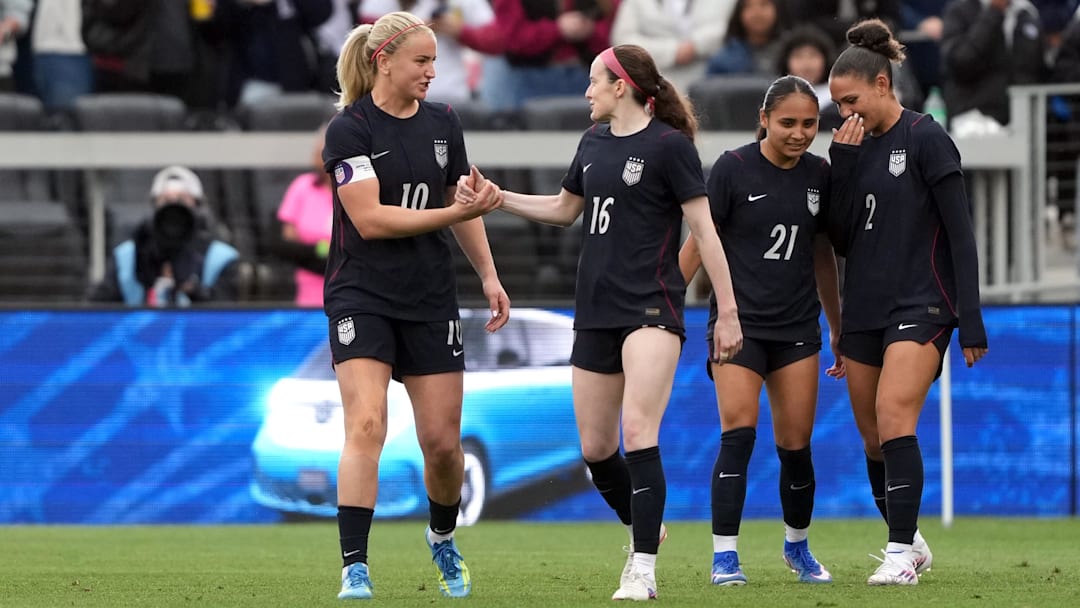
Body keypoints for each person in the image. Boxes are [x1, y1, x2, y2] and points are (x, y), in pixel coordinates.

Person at [458, 43, 744, 601]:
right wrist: (499, 200)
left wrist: (727, 311)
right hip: (594, 311)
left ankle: (641, 567)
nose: (587, 90)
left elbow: (705, 233)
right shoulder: (591, 142)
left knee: (639, 433)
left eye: (594, 81)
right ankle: (644, 527)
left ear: (622, 87)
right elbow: (566, 210)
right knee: (594, 449)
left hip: (651, 308)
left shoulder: (670, 147)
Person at [324, 11, 509, 601]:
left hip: (430, 297)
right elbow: (371, 220)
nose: (433, 71)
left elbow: (467, 200)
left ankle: (442, 536)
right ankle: (355, 566)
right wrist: (455, 214)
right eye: (422, 61)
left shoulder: (444, 123)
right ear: (384, 61)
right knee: (367, 425)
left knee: (443, 445)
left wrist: (488, 275)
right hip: (362, 294)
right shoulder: (349, 130)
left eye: (434, 61)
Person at [827, 18, 988, 585]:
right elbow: (841, 238)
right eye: (837, 105)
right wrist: (841, 169)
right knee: (872, 437)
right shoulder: (848, 149)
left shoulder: (926, 137)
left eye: (851, 101)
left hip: (923, 304)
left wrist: (970, 320)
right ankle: (912, 539)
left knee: (896, 416)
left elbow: (962, 234)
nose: (845, 114)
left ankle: (898, 556)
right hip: (864, 308)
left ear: (882, 84)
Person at [678, 74, 841, 587]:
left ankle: (798, 547)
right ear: (764, 120)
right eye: (787, 122)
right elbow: (699, 243)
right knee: (739, 435)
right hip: (737, 328)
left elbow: (822, 255)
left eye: (809, 124)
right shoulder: (733, 168)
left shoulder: (820, 175)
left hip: (797, 329)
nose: (798, 132)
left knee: (796, 447)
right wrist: (660, 307)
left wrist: (836, 326)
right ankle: (725, 556)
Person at [87, 166, 244, 306]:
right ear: (154, 207)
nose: (174, 209)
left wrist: (193, 290)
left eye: (183, 200)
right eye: (166, 201)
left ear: (198, 207)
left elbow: (225, 320)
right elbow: (98, 313)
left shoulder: (221, 258)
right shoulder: (126, 257)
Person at [274, 126, 333, 308]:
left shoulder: (358, 188)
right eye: (317, 151)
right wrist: (323, 249)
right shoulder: (302, 186)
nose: (319, 157)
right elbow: (288, 239)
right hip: (308, 290)